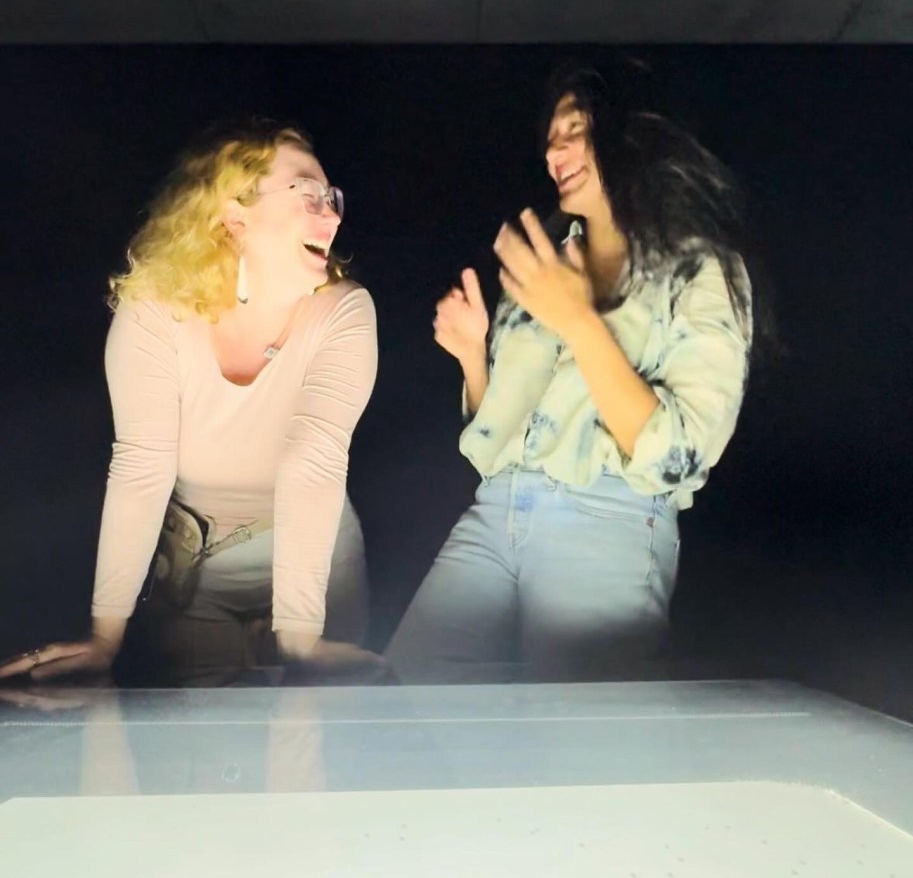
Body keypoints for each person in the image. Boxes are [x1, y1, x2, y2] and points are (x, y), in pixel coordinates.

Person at [387, 61, 767, 683]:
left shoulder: (699, 270)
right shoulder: (551, 258)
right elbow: (501, 438)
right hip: (500, 504)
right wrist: (472, 354)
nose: (553, 150)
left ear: (629, 136)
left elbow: (681, 454)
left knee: (577, 729)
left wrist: (580, 321)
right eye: (550, 137)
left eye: (575, 130)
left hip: (609, 513)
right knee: (401, 699)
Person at [0, 120, 383, 686]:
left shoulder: (345, 312)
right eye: (308, 194)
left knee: (314, 731)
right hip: (197, 577)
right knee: (201, 732)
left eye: (332, 199)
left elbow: (313, 463)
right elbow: (142, 465)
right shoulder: (154, 310)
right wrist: (105, 639)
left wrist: (301, 637)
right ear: (234, 217)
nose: (331, 214)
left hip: (320, 569)